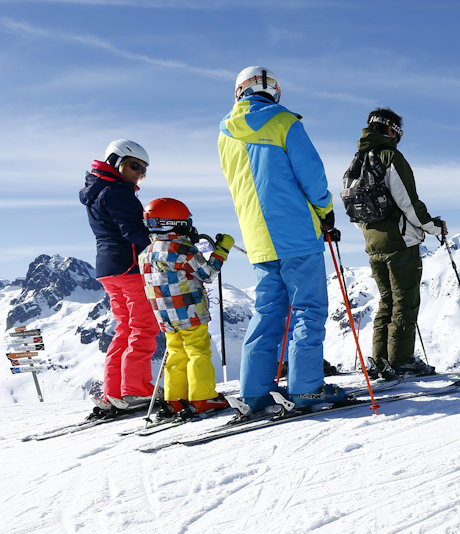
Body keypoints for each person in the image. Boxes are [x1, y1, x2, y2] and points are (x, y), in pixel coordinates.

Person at [217, 66, 345, 413]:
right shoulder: (285, 122)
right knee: (307, 309)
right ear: (273, 91)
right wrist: (325, 210)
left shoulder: (225, 134)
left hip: (258, 237)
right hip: (295, 232)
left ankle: (255, 392)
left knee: (267, 311)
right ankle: (307, 388)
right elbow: (312, 175)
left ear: (239, 92)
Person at [354, 107, 446, 380]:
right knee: (405, 302)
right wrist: (433, 227)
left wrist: (371, 233)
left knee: (386, 302)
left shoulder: (358, 160)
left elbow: (355, 208)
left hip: (372, 243)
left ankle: (380, 360)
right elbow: (409, 203)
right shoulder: (390, 157)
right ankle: (401, 361)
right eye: (399, 132)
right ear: (390, 129)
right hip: (399, 243)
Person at [79, 139, 161, 418]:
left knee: (124, 328)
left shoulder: (97, 189)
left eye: (144, 170)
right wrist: (162, 241)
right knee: (143, 327)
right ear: (116, 162)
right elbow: (132, 232)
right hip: (129, 267)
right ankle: (135, 390)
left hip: (108, 269)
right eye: (135, 165)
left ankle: (114, 392)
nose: (139, 173)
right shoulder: (117, 191)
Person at [139, 198, 233, 415]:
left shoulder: (145, 253)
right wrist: (221, 250)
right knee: (197, 351)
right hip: (189, 311)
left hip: (164, 315)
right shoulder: (182, 249)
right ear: (177, 223)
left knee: (175, 354)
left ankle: (175, 400)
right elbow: (208, 273)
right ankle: (202, 398)